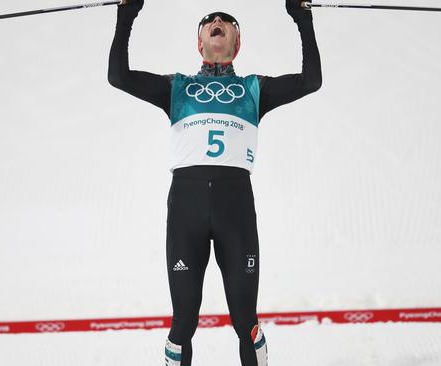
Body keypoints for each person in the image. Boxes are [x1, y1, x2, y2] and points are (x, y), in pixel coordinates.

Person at [108, 0, 322, 365]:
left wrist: (302, 18)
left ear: (236, 43)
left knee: (245, 320)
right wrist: (126, 14)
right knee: (184, 320)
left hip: (234, 208)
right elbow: (119, 76)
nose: (217, 21)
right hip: (186, 209)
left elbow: (310, 81)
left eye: (226, 22)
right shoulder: (176, 88)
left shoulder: (256, 89)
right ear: (200, 43)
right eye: (209, 21)